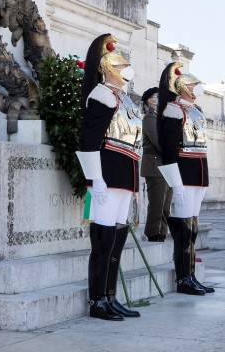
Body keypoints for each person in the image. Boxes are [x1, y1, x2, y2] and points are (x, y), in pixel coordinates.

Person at [76, 34, 142, 321]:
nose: (127, 69)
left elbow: (135, 143)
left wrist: (136, 182)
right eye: (122, 65)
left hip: (125, 174)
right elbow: (88, 138)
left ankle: (110, 296)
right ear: (108, 68)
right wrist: (95, 178)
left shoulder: (125, 98)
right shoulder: (101, 94)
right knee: (102, 239)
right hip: (107, 173)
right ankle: (97, 300)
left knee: (117, 237)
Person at [157, 62, 214, 295]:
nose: (197, 88)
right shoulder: (173, 110)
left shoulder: (196, 111)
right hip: (184, 173)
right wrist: (175, 182)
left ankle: (190, 275)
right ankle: (182, 279)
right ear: (183, 87)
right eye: (194, 85)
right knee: (182, 229)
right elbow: (168, 149)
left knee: (192, 228)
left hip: (198, 173)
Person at [141, 87, 173, 242]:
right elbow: (159, 141)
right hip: (155, 165)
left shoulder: (162, 118)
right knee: (157, 202)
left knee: (166, 204)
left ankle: (162, 231)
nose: (157, 99)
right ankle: (153, 232)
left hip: (166, 165)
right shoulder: (149, 118)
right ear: (149, 100)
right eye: (154, 97)